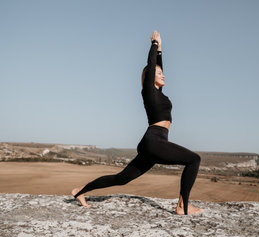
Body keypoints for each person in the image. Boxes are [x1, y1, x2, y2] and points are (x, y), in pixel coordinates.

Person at [72, 31, 203, 215]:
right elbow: (151, 67)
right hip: (154, 141)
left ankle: (80, 191)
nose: (163, 75)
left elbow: (155, 67)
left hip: (154, 143)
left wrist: (160, 51)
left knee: (122, 178)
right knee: (194, 159)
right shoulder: (148, 93)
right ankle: (183, 206)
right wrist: (154, 45)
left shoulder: (160, 94)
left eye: (162, 72)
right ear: (150, 76)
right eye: (159, 73)